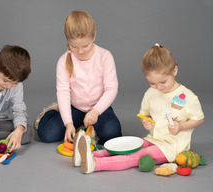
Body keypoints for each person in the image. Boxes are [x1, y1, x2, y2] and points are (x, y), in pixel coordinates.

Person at [75, 43, 205, 174]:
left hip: (171, 146)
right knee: (130, 146)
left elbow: (198, 119)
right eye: (152, 83)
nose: (158, 87)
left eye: (163, 82)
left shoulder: (188, 96)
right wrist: (146, 121)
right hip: (153, 139)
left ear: (174, 71)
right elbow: (145, 114)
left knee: (138, 156)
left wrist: (181, 127)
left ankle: (96, 164)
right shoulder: (151, 93)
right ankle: (88, 155)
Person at [34, 11, 122, 146]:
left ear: (94, 36)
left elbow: (111, 89)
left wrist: (95, 111)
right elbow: (63, 92)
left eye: (85, 46)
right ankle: (53, 110)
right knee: (46, 134)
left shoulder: (105, 56)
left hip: (98, 108)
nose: (80, 51)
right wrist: (68, 123)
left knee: (112, 135)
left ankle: (87, 125)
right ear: (68, 41)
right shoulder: (63, 61)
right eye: (74, 47)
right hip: (75, 107)